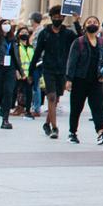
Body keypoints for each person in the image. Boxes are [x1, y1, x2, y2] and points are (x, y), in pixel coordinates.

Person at [65, 18, 103, 144]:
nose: (92, 24)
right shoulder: (79, 42)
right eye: (89, 22)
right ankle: (72, 132)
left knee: (97, 107)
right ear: (84, 26)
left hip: (95, 80)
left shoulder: (101, 43)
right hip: (80, 79)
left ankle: (100, 132)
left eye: (95, 22)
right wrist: (69, 79)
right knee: (76, 107)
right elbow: (72, 61)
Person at [33, 7, 74, 136]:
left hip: (62, 70)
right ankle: (55, 128)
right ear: (51, 17)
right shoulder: (45, 33)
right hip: (48, 68)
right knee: (51, 96)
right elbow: (38, 51)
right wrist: (31, 70)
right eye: (55, 17)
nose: (58, 19)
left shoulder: (67, 34)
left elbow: (79, 39)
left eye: (60, 17)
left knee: (55, 99)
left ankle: (47, 123)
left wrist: (77, 22)